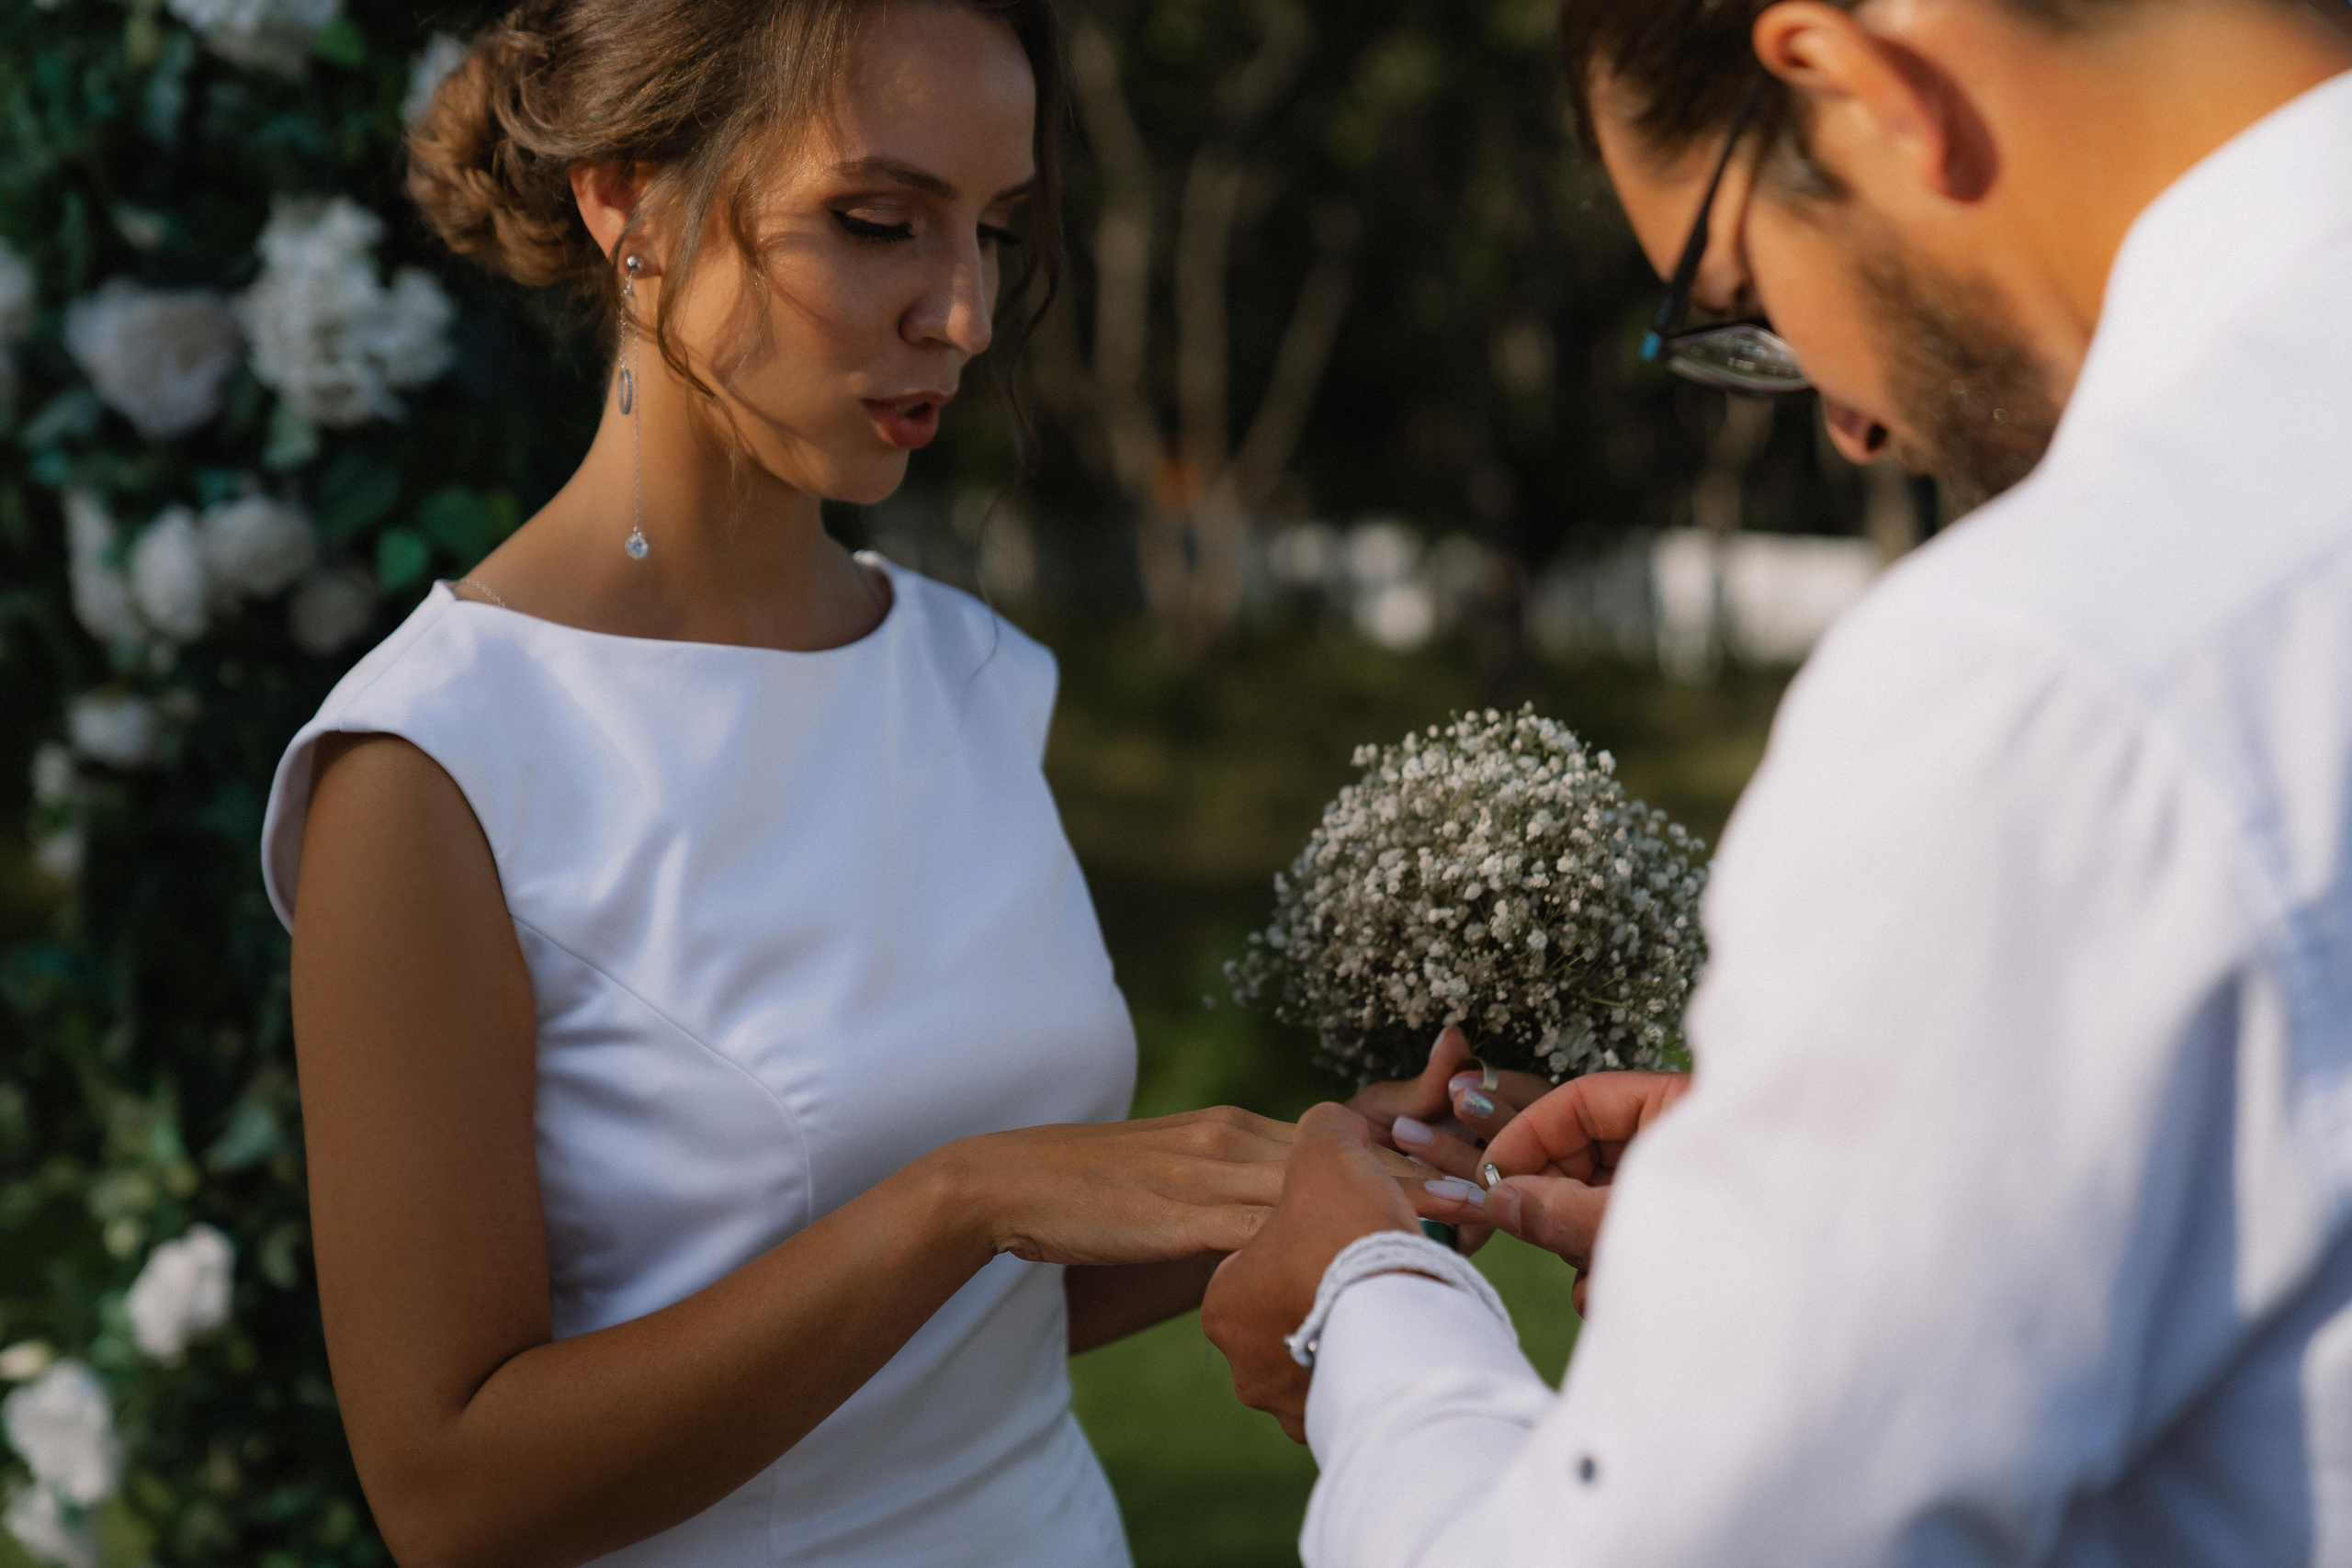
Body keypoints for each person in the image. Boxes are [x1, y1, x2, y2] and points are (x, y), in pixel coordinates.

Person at [261, 4, 1426, 1564]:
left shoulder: (967, 677)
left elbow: (967, 1332)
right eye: (877, 223)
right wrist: (960, 1198)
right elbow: (450, 1494)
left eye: (996, 232)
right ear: (634, 202)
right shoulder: (435, 770)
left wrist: (1317, 1171)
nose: (963, 314)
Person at [1204, 0, 2352, 1561]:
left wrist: (1376, 1314)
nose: (1859, 425)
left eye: (1741, 296)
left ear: (1858, 85)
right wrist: (1854, 1200)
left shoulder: (2046, 676)